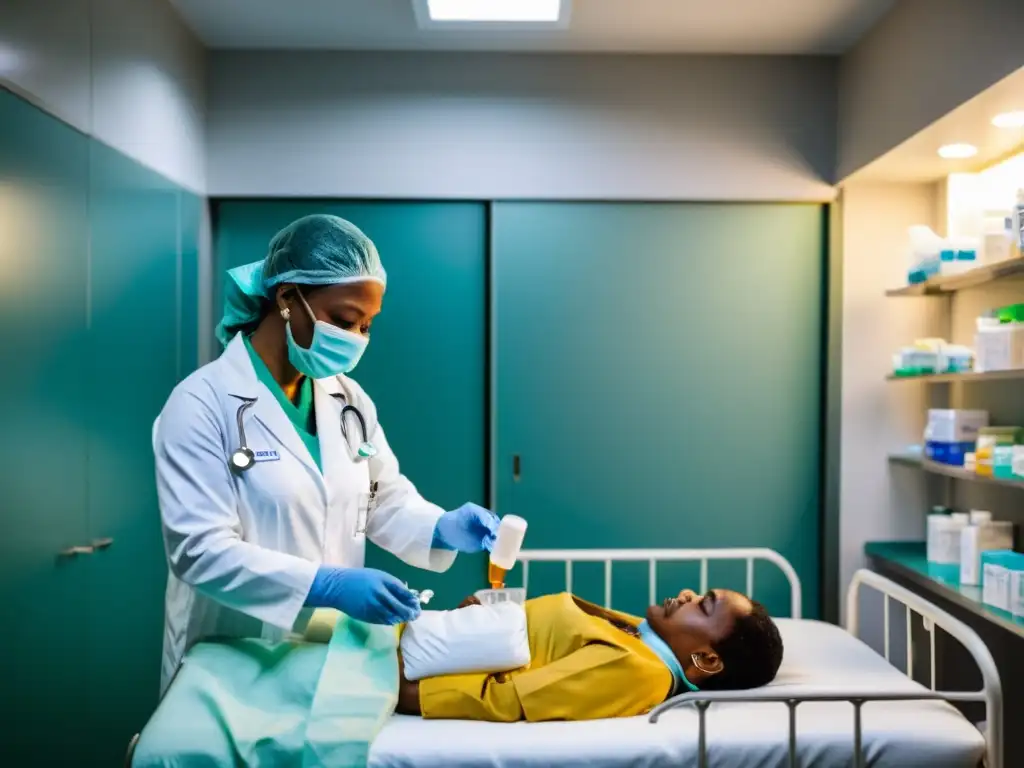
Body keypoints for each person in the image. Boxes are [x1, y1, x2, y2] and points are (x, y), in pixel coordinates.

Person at [154, 214, 499, 693]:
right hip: (230, 658)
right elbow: (200, 552)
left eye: (367, 325)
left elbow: (383, 499)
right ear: (287, 297)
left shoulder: (349, 400)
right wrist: (325, 585)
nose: (356, 338)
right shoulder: (201, 403)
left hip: (327, 655)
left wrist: (441, 528)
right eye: (343, 319)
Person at [395, 587, 783, 722]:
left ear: (708, 660)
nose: (687, 595)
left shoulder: (642, 671)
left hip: (409, 668)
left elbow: (510, 700)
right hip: (429, 638)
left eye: (703, 605)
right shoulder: (642, 636)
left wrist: (407, 693)